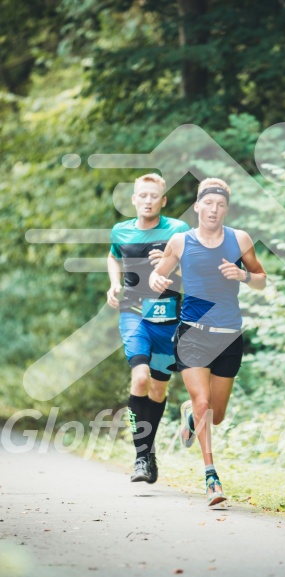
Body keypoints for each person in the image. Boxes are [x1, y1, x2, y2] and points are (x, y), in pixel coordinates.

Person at [149, 177, 267, 506]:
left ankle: (191, 417)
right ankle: (211, 476)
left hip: (229, 337)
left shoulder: (240, 240)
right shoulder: (181, 242)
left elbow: (261, 281)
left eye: (221, 205)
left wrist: (243, 275)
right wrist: (157, 277)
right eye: (208, 204)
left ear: (226, 210)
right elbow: (159, 275)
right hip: (193, 335)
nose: (214, 210)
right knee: (202, 402)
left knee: (215, 415)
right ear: (197, 206)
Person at [107, 173, 189, 484]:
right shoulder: (121, 231)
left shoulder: (177, 230)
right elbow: (113, 257)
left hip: (168, 317)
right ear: (133, 200)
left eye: (154, 196)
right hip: (134, 312)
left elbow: (195, 267)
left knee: (158, 388)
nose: (147, 200)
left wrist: (171, 262)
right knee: (139, 376)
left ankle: (148, 449)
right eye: (142, 195)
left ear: (163, 201)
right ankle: (141, 456)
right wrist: (114, 285)